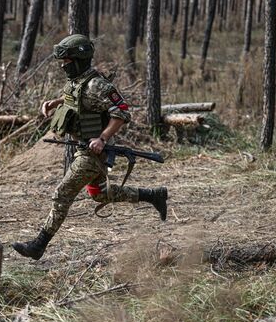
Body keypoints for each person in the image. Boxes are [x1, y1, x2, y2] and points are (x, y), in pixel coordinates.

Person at [12, 34, 168, 260]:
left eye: (66, 62)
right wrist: (54, 103)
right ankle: (154, 195)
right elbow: (74, 98)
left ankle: (38, 245)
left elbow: (122, 112)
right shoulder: (77, 81)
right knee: (100, 194)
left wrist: (103, 138)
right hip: (83, 148)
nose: (63, 66)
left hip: (95, 152)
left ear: (78, 60)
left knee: (61, 193)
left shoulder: (98, 85)